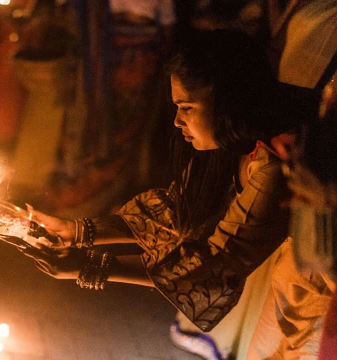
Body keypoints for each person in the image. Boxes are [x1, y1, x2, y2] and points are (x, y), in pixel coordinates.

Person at [19, 29, 307, 358]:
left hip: (315, 285)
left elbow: (213, 267)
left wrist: (88, 266)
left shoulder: (274, 164)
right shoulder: (237, 137)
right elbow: (175, 210)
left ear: (228, 101)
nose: (176, 121)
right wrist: (74, 231)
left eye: (186, 107)